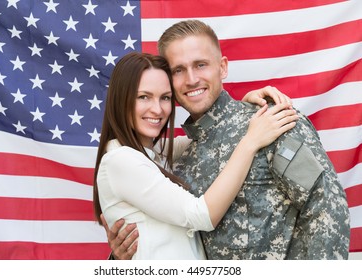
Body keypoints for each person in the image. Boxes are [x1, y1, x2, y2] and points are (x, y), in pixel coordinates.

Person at [104, 20, 350, 260]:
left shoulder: (271, 123)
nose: (191, 79)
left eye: (201, 65)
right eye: (178, 70)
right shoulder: (177, 160)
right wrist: (121, 257)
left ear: (222, 67)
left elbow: (326, 209)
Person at [93, 52, 298, 259]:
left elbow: (211, 137)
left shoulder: (153, 153)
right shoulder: (121, 160)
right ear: (121, 100)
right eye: (143, 97)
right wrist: (250, 142)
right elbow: (201, 215)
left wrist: (242, 110)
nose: (157, 109)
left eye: (165, 98)